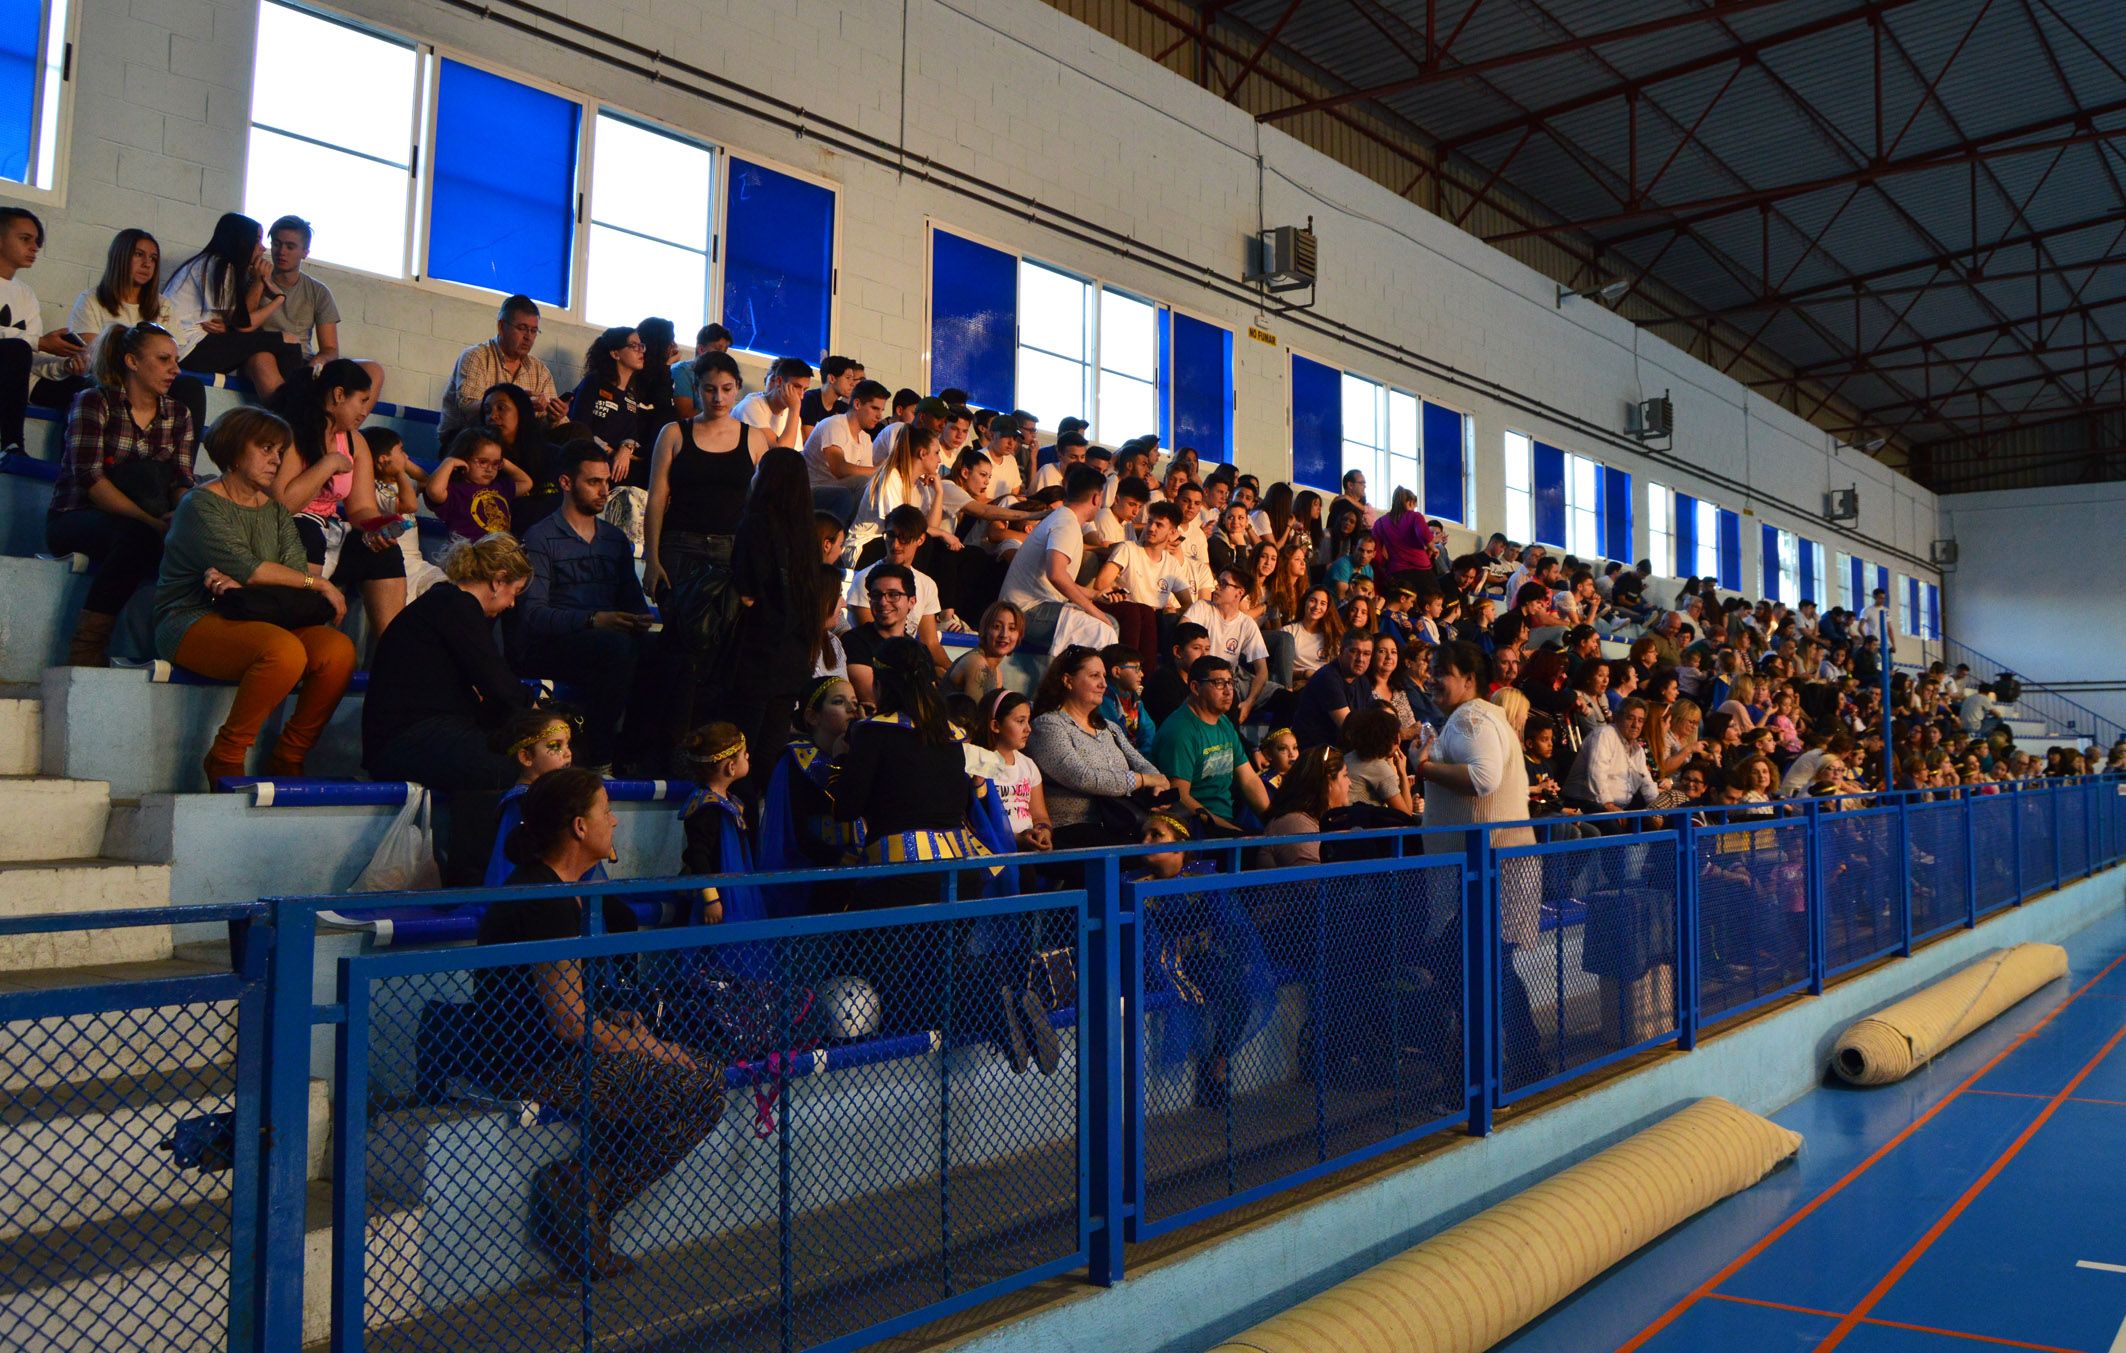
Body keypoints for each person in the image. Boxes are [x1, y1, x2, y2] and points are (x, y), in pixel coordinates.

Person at [475, 767, 722, 1282]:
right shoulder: (542, 896)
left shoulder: (574, 890)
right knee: (700, 1082)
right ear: (579, 828)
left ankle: (585, 1191)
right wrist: (650, 1048)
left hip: (558, 1048)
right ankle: (580, 1192)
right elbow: (567, 1024)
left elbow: (573, 1006)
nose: (615, 820)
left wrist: (617, 1022)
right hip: (531, 1061)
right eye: (605, 810)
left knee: (698, 1075)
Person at [153, 407, 355, 786]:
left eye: (279, 451)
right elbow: (258, 570)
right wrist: (318, 583)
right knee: (285, 652)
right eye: (266, 448)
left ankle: (289, 755)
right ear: (233, 447)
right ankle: (226, 755)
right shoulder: (200, 504)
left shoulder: (276, 511)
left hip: (261, 615)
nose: (276, 459)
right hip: (191, 617)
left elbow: (287, 572)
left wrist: (256, 579)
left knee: (338, 651)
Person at [364, 532, 534, 881]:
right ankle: (470, 880)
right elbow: (496, 681)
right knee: (498, 765)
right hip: (404, 739)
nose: (512, 605)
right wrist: (536, 713)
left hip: (423, 731)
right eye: (514, 592)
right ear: (497, 580)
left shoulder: (448, 606)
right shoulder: (455, 607)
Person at [1412, 642, 1540, 1084]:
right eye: (1430, 670)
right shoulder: (1481, 717)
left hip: (1486, 872)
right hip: (1488, 868)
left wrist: (1424, 769)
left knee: (1474, 973)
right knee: (1486, 971)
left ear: (1468, 680)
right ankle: (1521, 1065)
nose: (1431, 679)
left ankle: (1478, 1079)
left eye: (1441, 672)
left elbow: (1483, 779)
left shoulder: (1471, 718)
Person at [48, 323, 198, 665]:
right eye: (163, 359)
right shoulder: (94, 402)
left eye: (175, 359)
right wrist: (153, 523)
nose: (175, 369)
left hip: (149, 514)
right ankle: (86, 647)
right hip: (76, 516)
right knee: (138, 538)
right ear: (132, 361)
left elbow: (182, 479)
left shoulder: (178, 414)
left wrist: (180, 517)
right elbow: (92, 481)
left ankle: (186, 647)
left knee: (195, 544)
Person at [512, 442, 656, 771]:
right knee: (615, 648)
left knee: (668, 652)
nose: (604, 491)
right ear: (566, 483)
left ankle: (640, 757)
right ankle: (599, 758)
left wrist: (638, 618)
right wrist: (594, 619)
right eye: (593, 482)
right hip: (555, 642)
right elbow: (533, 615)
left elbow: (632, 601)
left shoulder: (614, 539)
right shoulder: (541, 537)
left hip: (606, 637)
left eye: (607, 481)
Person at [717, 448, 831, 794]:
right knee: (767, 755)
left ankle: (736, 835)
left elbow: (747, 587)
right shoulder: (807, 537)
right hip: (793, 660)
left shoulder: (756, 523)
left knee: (739, 754)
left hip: (756, 652)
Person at [274, 358, 406, 638]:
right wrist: (329, 463)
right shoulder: (293, 430)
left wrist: (378, 528)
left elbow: (361, 508)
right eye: (362, 401)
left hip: (329, 529)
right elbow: (283, 504)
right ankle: (299, 639)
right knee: (309, 533)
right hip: (290, 528)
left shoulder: (354, 440)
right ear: (338, 395)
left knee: (385, 553)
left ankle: (391, 650)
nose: (364, 411)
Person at [65, 228, 208, 433]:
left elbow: (174, 355)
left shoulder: (163, 305)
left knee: (191, 388)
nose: (147, 264)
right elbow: (95, 356)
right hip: (110, 378)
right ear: (120, 257)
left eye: (153, 258)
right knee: (88, 389)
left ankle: (183, 464)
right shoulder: (91, 300)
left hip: (151, 380)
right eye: (139, 255)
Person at [1027, 644, 1171, 848]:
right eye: (1095, 676)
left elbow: (1142, 764)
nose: (1103, 684)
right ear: (1068, 680)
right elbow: (1082, 776)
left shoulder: (1109, 727)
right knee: (1142, 858)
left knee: (1172, 846)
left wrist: (1157, 785)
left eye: (1104, 676)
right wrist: (1142, 780)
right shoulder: (1048, 726)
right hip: (1072, 829)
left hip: (1119, 823)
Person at [642, 350, 760, 598]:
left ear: (737, 387)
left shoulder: (755, 438)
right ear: (696, 388)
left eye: (726, 389)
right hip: (679, 545)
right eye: (710, 389)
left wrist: (755, 564)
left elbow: (761, 507)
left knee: (724, 632)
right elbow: (656, 498)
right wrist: (651, 557)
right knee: (679, 628)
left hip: (731, 548)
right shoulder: (673, 433)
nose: (718, 398)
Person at [159, 212, 302, 401]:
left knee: (271, 349)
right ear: (242, 240)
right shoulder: (217, 265)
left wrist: (229, 327)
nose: (262, 247)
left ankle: (285, 409)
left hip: (194, 346)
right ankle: (291, 412)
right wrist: (279, 299)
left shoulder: (219, 265)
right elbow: (245, 325)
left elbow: (238, 322)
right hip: (187, 350)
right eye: (257, 240)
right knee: (289, 341)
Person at [0, 207, 91, 455]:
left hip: (19, 379)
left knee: (87, 387)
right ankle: (12, 443)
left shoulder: (25, 294)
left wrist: (65, 366)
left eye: (37, 241)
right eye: (25, 239)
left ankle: (75, 465)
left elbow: (32, 357)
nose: (35, 247)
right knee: (17, 348)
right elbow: (27, 346)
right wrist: (38, 342)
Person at [998, 465, 1115, 651]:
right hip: (1024, 611)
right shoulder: (1066, 522)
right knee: (1104, 627)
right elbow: (1056, 575)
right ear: (1096, 498)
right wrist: (1094, 611)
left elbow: (1055, 578)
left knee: (1109, 624)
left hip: (1035, 607)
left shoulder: (1063, 518)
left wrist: (1094, 595)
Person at [1150, 656, 1271, 834]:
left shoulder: (1223, 722)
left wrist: (1273, 820)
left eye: (1230, 683)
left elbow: (1249, 779)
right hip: (1193, 828)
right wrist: (1229, 830)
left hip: (1226, 819)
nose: (1229, 691)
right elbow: (1180, 797)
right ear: (1195, 688)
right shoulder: (1180, 732)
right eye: (1219, 683)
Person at [439, 295, 568, 442]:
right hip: (467, 440)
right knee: (500, 434)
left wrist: (553, 418)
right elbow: (467, 408)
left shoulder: (540, 371)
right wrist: (516, 403)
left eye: (533, 331)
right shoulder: (476, 357)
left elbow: (543, 426)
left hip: (517, 444)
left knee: (574, 432)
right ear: (501, 327)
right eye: (522, 328)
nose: (528, 337)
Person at [481, 707, 580, 886]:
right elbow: (505, 870)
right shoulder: (521, 803)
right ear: (526, 757)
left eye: (567, 744)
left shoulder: (545, 797)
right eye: (556, 746)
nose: (568, 753)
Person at [677, 722, 760, 931]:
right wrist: (711, 899)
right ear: (730, 767)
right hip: (717, 897)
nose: (748, 756)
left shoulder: (731, 802)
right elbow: (698, 856)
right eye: (744, 754)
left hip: (734, 890)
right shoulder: (707, 807)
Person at [258, 217, 354, 377]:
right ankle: (286, 400)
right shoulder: (257, 281)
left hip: (302, 360)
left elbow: (330, 349)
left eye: (290, 246)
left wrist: (314, 366)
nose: (282, 251)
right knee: (261, 359)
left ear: (305, 252)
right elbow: (243, 327)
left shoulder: (318, 291)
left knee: (373, 370)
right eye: (276, 244)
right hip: (264, 356)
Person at [568, 326, 651, 497]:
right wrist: (612, 452)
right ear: (615, 354)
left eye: (641, 346)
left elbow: (631, 433)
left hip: (620, 460)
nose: (640, 350)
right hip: (592, 455)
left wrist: (626, 449)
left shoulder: (631, 394)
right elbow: (580, 425)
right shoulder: (595, 381)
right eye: (634, 346)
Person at [1182, 571, 1273, 725]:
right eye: (1218, 582)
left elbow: (1262, 671)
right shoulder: (1202, 607)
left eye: (1224, 584)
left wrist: (1249, 702)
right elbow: (1182, 633)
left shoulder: (1246, 623)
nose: (1217, 586)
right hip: (1203, 677)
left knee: (1287, 699)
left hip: (1231, 679)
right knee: (1227, 696)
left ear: (1239, 592)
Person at [974, 691, 1051, 851]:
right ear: (995, 725)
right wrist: (1015, 839)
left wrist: (1043, 832)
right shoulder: (978, 764)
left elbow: (1040, 816)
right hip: (993, 849)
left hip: (1028, 847)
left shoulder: (1028, 765)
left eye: (1028, 721)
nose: (1028, 729)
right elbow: (977, 821)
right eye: (1020, 721)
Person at [801, 377, 889, 518]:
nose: (879, 416)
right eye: (874, 408)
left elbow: (868, 476)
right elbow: (840, 469)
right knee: (861, 483)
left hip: (839, 490)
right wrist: (880, 470)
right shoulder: (834, 425)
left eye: (882, 410)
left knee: (874, 486)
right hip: (811, 491)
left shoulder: (865, 439)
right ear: (857, 404)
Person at [425, 427, 532, 542]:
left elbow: (526, 483)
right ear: (463, 458)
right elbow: (434, 491)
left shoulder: (500, 487)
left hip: (500, 552)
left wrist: (504, 462)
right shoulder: (455, 490)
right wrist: (449, 462)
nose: (489, 469)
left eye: (496, 463)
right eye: (483, 462)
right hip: (468, 554)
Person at [1564, 697, 1663, 819]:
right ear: (1618, 717)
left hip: (1621, 807)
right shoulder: (1604, 735)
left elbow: (1647, 784)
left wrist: (1658, 810)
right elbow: (1597, 773)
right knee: (1617, 828)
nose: (1635, 725)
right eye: (1630, 718)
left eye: (1640, 720)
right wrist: (1608, 804)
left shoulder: (1638, 750)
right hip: (1586, 803)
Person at [1257, 746, 1351, 869]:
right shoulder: (1294, 823)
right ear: (1329, 783)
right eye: (1345, 775)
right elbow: (1313, 883)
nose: (1350, 782)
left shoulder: (1319, 820)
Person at [1291, 628, 1373, 750]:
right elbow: (1350, 729)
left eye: (1366, 654)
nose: (1360, 659)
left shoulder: (1363, 681)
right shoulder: (1327, 678)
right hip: (1316, 755)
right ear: (1341, 651)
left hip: (1340, 752)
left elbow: (1368, 721)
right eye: (1354, 651)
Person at [1340, 704, 1418, 815]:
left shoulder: (1350, 756)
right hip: (1361, 828)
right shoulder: (1378, 768)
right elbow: (1406, 816)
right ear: (1396, 739)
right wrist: (1403, 774)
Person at [947, 600, 1024, 702]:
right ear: (985, 629)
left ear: (1019, 635)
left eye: (1012, 628)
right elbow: (978, 715)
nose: (1004, 634)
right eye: (997, 627)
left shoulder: (997, 672)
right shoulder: (977, 663)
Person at [730, 356, 812, 449]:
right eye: (796, 386)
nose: (801, 396)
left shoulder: (791, 414)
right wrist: (794, 410)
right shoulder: (751, 406)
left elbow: (793, 456)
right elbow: (780, 452)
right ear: (779, 381)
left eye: (804, 390)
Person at [1145, 622, 1211, 726]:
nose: (1204, 655)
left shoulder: (1205, 680)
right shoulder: (1162, 681)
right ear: (1177, 651)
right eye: (1196, 648)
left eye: (1207, 649)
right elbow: (1177, 724)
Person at [1097, 643, 1157, 753]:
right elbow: (1116, 735)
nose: (1142, 674)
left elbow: (1148, 728)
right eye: (1137, 669)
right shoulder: (1105, 699)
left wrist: (1146, 756)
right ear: (1116, 672)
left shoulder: (1134, 697)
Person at [669, 322, 732, 420]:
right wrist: (719, 415)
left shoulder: (721, 375)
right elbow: (685, 414)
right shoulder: (682, 371)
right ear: (701, 349)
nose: (722, 356)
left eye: (725, 351)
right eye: (718, 349)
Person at [801, 354, 862, 433]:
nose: (852, 384)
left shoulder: (843, 409)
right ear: (831, 379)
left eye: (852, 379)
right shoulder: (810, 399)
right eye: (848, 378)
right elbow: (809, 441)